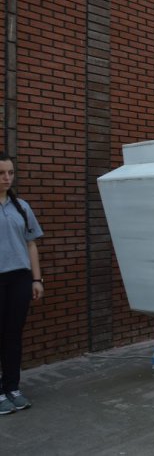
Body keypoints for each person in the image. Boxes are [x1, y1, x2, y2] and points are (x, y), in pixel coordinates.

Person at [0, 153, 44, 415]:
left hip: (19, 278)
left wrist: (36, 279)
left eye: (11, 173)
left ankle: (12, 387)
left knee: (13, 335)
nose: (7, 178)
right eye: (1, 173)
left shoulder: (21, 207)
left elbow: (31, 244)